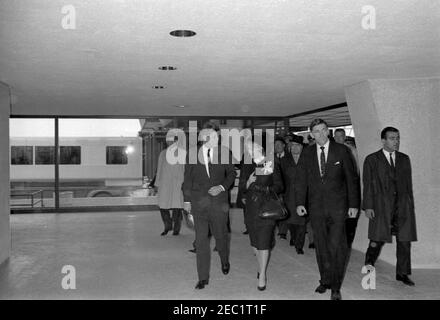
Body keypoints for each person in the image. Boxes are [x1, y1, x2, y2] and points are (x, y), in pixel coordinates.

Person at [296, 118, 360, 300]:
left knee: (338, 246)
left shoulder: (342, 151)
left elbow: (351, 179)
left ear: (328, 131)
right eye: (316, 131)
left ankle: (336, 286)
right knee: (321, 246)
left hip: (339, 208)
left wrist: (354, 205)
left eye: (324, 130)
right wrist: (300, 203)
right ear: (312, 135)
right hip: (316, 208)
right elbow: (301, 180)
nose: (321, 134)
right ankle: (325, 280)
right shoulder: (307, 153)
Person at [182, 121, 236, 290]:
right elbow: (187, 180)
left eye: (216, 135)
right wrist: (187, 201)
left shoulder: (224, 152)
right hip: (199, 204)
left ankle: (224, 260)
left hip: (219, 203)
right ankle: (203, 277)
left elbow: (232, 174)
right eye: (211, 135)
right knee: (201, 241)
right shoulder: (192, 154)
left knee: (221, 236)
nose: (215, 138)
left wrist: (221, 187)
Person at [363, 127, 417, 286]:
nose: (396, 141)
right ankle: (368, 271)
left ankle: (402, 273)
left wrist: (410, 204)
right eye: (392, 138)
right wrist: (368, 206)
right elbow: (367, 185)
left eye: (397, 138)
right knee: (376, 241)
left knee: (404, 241)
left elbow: (408, 185)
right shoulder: (372, 159)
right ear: (383, 141)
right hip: (381, 207)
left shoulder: (404, 159)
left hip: (402, 207)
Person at [239, 139, 284, 291]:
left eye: (253, 148)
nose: (251, 151)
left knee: (263, 242)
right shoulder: (247, 166)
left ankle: (262, 274)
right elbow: (242, 189)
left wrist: (262, 188)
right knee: (254, 244)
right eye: (248, 150)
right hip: (251, 209)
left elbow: (279, 186)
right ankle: (260, 266)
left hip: (266, 208)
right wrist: (247, 183)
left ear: (261, 149)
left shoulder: (270, 164)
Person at [279, 134, 307, 254]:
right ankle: (294, 237)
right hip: (289, 195)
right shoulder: (284, 161)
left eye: (297, 146)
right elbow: (280, 178)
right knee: (291, 220)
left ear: (302, 147)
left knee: (302, 221)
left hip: (304, 195)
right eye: (293, 145)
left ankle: (299, 245)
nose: (295, 148)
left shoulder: (308, 160)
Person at [334, 128, 360, 248]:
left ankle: (347, 242)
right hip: (334, 191)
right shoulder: (330, 150)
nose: (339, 138)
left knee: (349, 219)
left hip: (348, 189)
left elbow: (356, 171)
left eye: (341, 136)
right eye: (337, 136)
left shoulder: (351, 150)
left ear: (345, 137)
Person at [155, 137, 185, 236]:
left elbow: (185, 169)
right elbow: (159, 169)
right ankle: (167, 225)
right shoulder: (163, 153)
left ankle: (176, 228)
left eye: (173, 141)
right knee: (163, 206)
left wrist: (185, 183)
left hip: (178, 183)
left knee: (177, 206)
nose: (170, 142)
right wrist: (157, 184)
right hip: (165, 183)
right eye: (169, 141)